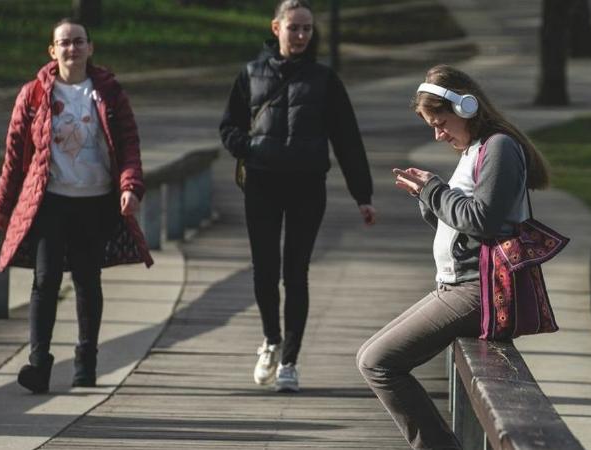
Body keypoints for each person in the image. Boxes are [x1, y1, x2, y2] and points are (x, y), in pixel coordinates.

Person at [356, 64, 550, 449]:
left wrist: (434, 191)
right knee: (368, 357)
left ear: (466, 107)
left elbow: (484, 220)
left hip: (479, 289)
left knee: (378, 362)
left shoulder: (500, 148)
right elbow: (462, 227)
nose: (438, 133)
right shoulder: (475, 149)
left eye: (440, 122)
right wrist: (429, 199)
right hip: (458, 284)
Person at [0, 18, 153, 394]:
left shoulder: (109, 93)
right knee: (45, 281)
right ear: (52, 50)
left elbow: (129, 145)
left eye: (79, 42)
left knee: (86, 280)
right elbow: (14, 156)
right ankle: (39, 364)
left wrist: (130, 187)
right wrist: (1, 202)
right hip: (50, 202)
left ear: (90, 48)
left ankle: (85, 361)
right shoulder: (32, 95)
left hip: (95, 202)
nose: (72, 49)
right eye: (64, 43)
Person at [220, 0, 376, 393]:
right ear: (277, 28)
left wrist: (363, 194)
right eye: (295, 28)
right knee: (264, 270)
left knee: (296, 272)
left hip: (307, 187)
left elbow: (347, 139)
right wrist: (248, 146)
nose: (302, 35)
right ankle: (271, 340)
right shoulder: (250, 74)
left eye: (308, 28)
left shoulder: (325, 80)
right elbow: (228, 126)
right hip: (261, 184)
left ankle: (289, 360)